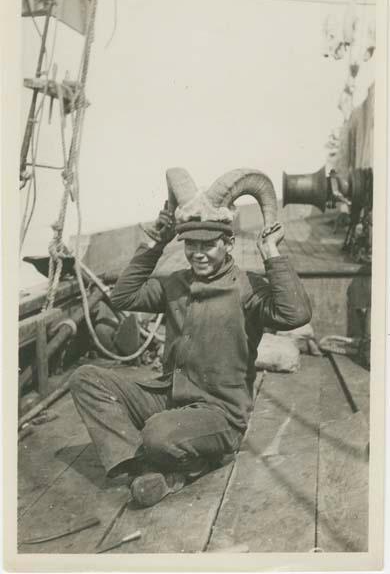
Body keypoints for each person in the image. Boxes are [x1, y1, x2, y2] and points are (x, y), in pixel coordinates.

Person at [70, 205, 312, 508]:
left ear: (228, 244)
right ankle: (141, 468)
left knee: (158, 433)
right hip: (169, 397)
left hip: (219, 414)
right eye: (191, 244)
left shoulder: (248, 287)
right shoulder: (176, 283)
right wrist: (156, 243)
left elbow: (296, 314)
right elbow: (123, 297)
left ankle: (203, 459)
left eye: (208, 245)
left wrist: (271, 252)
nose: (198, 253)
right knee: (87, 379)